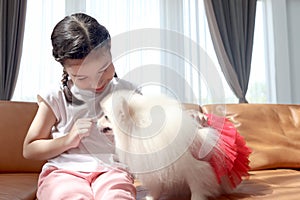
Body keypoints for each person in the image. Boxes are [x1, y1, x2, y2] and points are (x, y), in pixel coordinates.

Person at [23, 13, 138, 200]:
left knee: (117, 196)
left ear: (110, 51)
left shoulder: (127, 92)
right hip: (64, 172)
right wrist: (68, 139)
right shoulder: (56, 96)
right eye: (82, 77)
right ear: (66, 69)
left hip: (112, 170)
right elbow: (30, 149)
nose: (96, 83)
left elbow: (149, 133)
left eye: (103, 69)